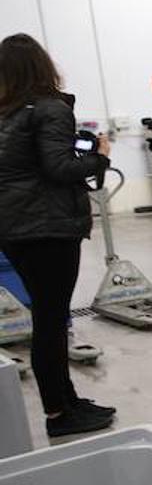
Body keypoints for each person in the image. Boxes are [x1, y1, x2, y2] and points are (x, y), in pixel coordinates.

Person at [0, 33, 116, 438]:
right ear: (42, 66)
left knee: (48, 317)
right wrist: (98, 155)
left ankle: (66, 399)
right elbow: (59, 168)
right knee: (51, 321)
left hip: (15, 228)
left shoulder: (8, 114)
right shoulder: (49, 108)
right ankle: (59, 413)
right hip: (47, 227)